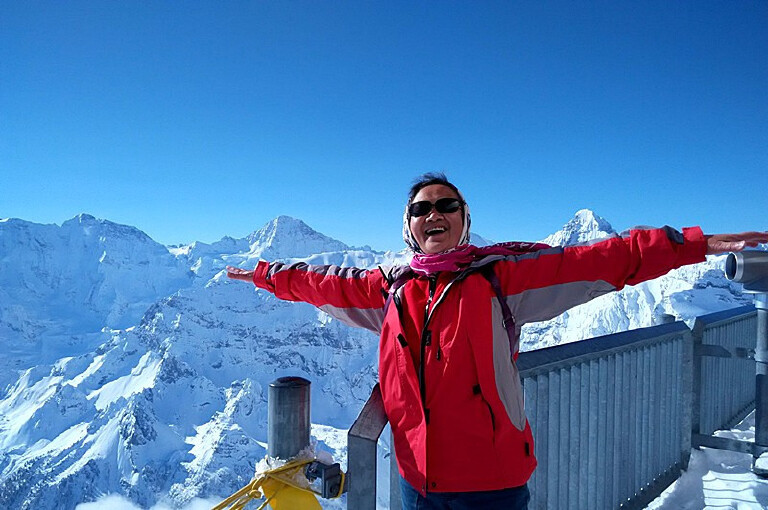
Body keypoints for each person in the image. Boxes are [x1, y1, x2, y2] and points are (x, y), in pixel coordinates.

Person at [227, 173, 767, 510]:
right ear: (409, 228)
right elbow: (324, 283)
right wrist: (265, 275)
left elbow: (604, 259)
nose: (433, 213)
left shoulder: (501, 279)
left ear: (465, 221)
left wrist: (693, 244)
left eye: (447, 205)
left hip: (491, 486)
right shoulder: (391, 289)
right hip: (415, 482)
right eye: (421, 208)